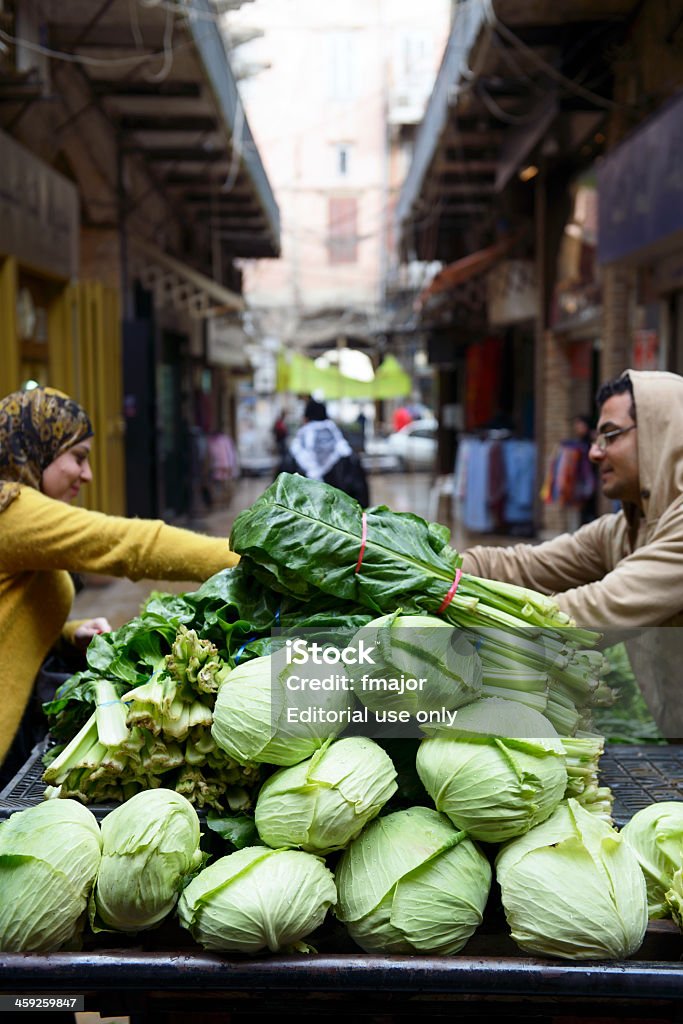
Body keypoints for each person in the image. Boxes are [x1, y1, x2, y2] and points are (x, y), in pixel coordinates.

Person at [0, 386, 240, 778]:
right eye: (78, 458)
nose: (88, 474)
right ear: (36, 447)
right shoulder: (12, 511)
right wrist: (253, 555)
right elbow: (131, 545)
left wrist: (68, 634)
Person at [461, 368, 683, 735]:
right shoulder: (623, 529)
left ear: (662, 435)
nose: (595, 453)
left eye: (610, 435)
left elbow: (597, 608)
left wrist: (472, 636)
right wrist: (428, 569)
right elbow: (525, 566)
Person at [279, 397, 369, 506]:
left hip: (304, 520)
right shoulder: (344, 450)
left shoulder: (295, 450)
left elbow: (279, 494)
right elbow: (361, 497)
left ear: (305, 419)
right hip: (340, 519)